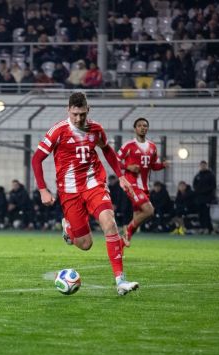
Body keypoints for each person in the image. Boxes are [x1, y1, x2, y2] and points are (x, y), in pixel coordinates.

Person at [31, 91, 138, 295]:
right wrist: (43, 190)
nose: (79, 119)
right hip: (69, 191)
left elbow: (107, 150)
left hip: (94, 184)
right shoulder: (58, 131)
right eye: (75, 114)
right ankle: (68, 227)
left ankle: (120, 281)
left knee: (109, 222)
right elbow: (36, 159)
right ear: (68, 111)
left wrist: (121, 176)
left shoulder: (96, 129)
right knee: (85, 244)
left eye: (82, 114)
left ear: (88, 110)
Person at [117, 117, 169, 246]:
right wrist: (128, 167)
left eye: (145, 126)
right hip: (131, 185)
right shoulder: (128, 145)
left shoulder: (152, 147)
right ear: (135, 129)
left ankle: (121, 245)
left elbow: (153, 166)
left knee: (137, 218)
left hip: (144, 187)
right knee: (149, 211)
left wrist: (162, 165)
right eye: (139, 125)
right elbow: (115, 161)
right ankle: (126, 232)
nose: (142, 128)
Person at [192, 160, 216, 234]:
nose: (202, 167)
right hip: (199, 198)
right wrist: (197, 191)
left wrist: (205, 191)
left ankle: (209, 228)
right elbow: (194, 185)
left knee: (206, 213)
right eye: (201, 165)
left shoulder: (210, 175)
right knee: (201, 213)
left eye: (204, 165)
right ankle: (203, 227)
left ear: (206, 166)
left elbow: (213, 186)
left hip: (207, 198)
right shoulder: (198, 175)